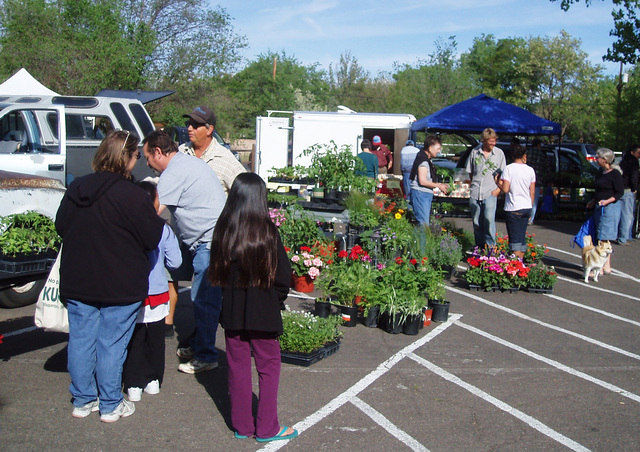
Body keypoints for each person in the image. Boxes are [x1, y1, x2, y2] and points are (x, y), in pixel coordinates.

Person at [55, 130, 165, 422]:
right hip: (121, 281)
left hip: (79, 279)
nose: (137, 161)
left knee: (81, 340)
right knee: (111, 344)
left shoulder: (77, 188)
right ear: (127, 158)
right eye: (135, 156)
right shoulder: (132, 195)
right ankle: (110, 403)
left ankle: (83, 399)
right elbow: (152, 237)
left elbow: (61, 226)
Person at [208, 173, 297, 443]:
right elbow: (283, 277)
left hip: (233, 312)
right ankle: (267, 427)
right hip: (264, 313)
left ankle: (242, 425)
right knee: (268, 368)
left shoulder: (224, 231)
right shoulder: (268, 233)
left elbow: (216, 274)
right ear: (260, 198)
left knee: (237, 367)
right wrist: (276, 300)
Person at [142, 130, 227, 374]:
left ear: (158, 152)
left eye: (147, 157)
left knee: (204, 299)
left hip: (209, 241)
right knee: (204, 298)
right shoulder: (186, 162)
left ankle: (207, 355)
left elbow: (151, 213)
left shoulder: (173, 172)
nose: (147, 163)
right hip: (206, 239)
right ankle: (199, 344)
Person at [122, 181, 182, 402]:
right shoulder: (163, 229)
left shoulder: (125, 225)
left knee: (134, 338)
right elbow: (175, 261)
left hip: (131, 292)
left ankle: (133, 383)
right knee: (155, 339)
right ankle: (153, 380)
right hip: (157, 292)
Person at [179, 105, 246, 194]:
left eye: (195, 125)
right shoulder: (181, 152)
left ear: (209, 130)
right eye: (188, 124)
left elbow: (247, 190)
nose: (189, 129)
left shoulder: (225, 158)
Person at [465, 128, 506, 249]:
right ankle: (479, 248)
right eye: (491, 141)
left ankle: (491, 249)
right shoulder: (475, 152)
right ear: (483, 140)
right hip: (476, 191)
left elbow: (503, 175)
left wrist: (497, 191)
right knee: (477, 222)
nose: (493, 144)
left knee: (488, 221)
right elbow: (470, 172)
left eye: (495, 141)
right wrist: (473, 185)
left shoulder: (499, 154)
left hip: (490, 192)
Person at [586, 148, 624, 274]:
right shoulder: (600, 172)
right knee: (599, 235)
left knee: (604, 236)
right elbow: (598, 190)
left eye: (598, 157)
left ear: (605, 160)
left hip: (609, 207)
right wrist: (593, 200)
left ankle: (600, 267)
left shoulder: (615, 174)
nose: (596, 159)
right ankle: (606, 266)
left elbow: (619, 192)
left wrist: (607, 201)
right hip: (598, 205)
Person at [498, 144, 536, 258]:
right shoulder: (530, 170)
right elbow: (532, 191)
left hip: (513, 207)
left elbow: (505, 189)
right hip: (526, 206)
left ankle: (516, 265)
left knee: (514, 240)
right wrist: (530, 206)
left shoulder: (509, 168)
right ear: (524, 155)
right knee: (521, 238)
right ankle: (521, 263)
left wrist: (497, 182)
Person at [409, 135, 450, 225]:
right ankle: (421, 239)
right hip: (421, 194)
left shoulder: (425, 158)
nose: (439, 151)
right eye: (438, 148)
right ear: (430, 148)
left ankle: (420, 239)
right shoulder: (423, 161)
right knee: (423, 224)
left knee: (422, 223)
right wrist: (438, 185)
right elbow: (422, 181)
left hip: (423, 194)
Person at [526, 138, 553, 224]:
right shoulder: (542, 155)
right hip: (538, 180)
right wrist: (549, 179)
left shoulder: (527, 154)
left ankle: (524, 216)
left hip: (526, 179)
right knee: (534, 200)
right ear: (538, 145)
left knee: (525, 198)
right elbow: (547, 169)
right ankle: (531, 219)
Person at [617, 144, 640, 245]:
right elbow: (634, 176)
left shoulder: (623, 161)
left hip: (621, 189)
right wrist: (635, 188)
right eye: (638, 153)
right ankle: (624, 237)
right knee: (628, 215)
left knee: (622, 214)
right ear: (632, 152)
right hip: (628, 189)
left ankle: (626, 236)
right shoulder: (633, 162)